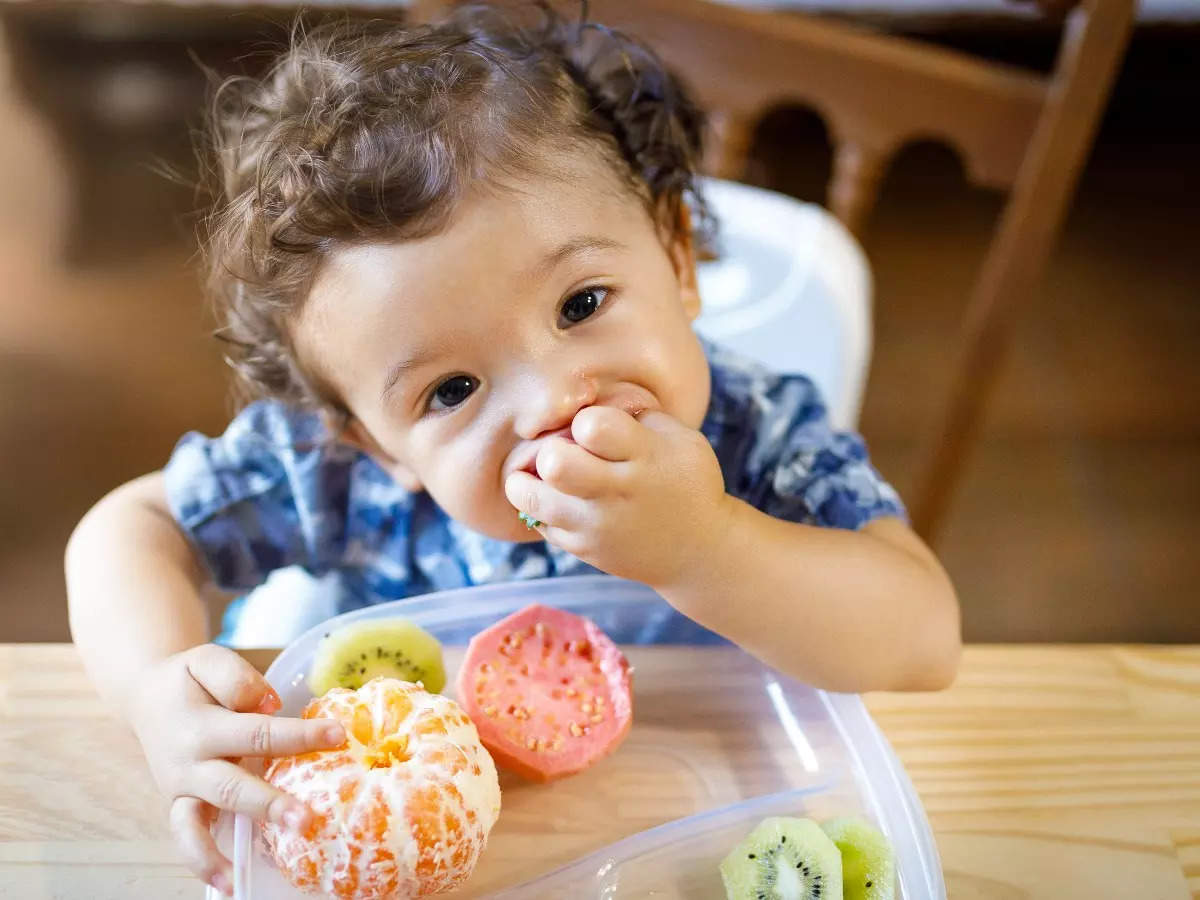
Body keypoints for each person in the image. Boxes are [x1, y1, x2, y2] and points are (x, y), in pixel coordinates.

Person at [65, 5, 960, 892]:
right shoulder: (345, 477)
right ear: (372, 443)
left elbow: (924, 637)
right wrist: (153, 688)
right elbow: (133, 528)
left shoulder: (760, 436)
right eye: (451, 391)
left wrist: (709, 544)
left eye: (582, 305)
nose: (552, 402)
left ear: (678, 259)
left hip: (690, 806)